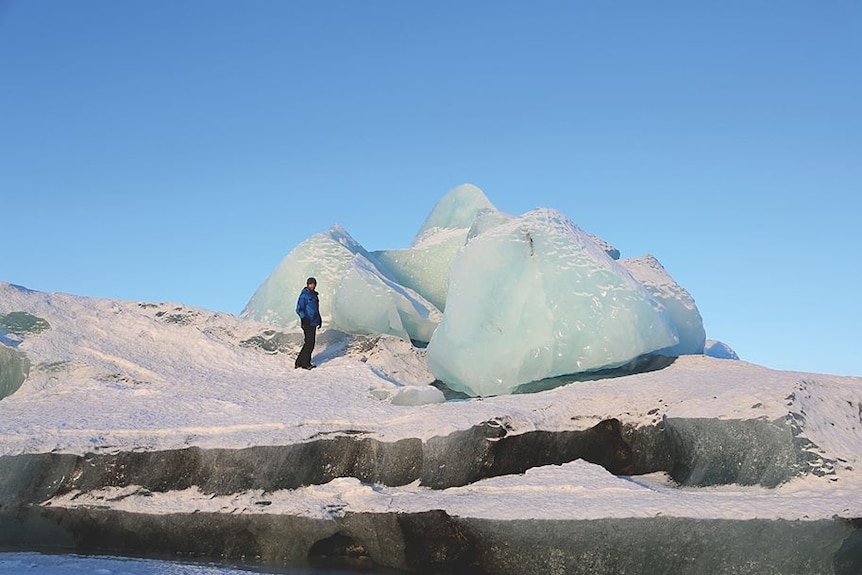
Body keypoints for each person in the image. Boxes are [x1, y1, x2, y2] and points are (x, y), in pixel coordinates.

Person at [295, 277, 322, 370]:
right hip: (307, 322)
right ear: (307, 284)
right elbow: (299, 309)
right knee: (310, 343)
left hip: (313, 322)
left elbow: (316, 309)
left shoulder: (314, 295)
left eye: (313, 284)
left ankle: (299, 362)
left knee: (309, 343)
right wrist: (303, 318)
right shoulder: (304, 295)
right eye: (310, 284)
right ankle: (305, 363)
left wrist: (319, 319)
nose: (312, 285)